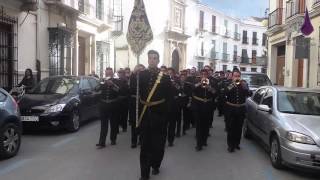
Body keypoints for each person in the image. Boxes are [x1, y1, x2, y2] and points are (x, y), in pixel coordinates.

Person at [135, 50, 174, 180]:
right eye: (150, 58)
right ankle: (144, 174)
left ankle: (156, 164)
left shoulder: (165, 77)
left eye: (155, 58)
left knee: (158, 145)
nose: (152, 60)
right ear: (148, 60)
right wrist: (134, 74)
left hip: (159, 116)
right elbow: (133, 90)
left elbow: (169, 98)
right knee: (145, 145)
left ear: (158, 61)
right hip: (145, 115)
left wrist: (166, 116)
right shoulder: (141, 75)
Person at [224, 68, 251, 153]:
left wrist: (244, 87)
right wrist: (233, 85)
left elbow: (249, 94)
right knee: (231, 128)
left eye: (238, 76)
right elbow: (224, 93)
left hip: (241, 109)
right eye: (235, 76)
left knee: (239, 128)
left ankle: (237, 143)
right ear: (232, 77)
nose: (237, 77)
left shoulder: (243, 85)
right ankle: (230, 145)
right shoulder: (229, 84)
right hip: (231, 109)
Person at [191, 69, 217, 151]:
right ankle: (199, 144)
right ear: (200, 75)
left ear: (208, 75)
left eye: (205, 74)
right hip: (198, 105)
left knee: (206, 125)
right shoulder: (196, 80)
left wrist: (209, 87)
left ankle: (204, 140)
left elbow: (215, 93)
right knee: (199, 125)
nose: (204, 75)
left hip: (208, 106)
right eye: (202, 74)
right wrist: (200, 83)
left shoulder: (212, 82)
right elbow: (192, 89)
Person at [95, 68, 121, 148]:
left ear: (112, 74)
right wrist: (100, 83)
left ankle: (113, 139)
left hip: (113, 105)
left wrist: (112, 84)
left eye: (109, 73)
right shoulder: (102, 81)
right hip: (103, 105)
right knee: (103, 124)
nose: (108, 75)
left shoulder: (116, 81)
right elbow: (96, 89)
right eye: (107, 73)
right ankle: (102, 142)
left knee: (113, 123)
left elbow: (119, 90)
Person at [128, 64, 145, 148]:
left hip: (142, 102)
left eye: (141, 70)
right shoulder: (133, 77)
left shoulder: (145, 78)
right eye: (138, 70)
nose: (139, 72)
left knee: (142, 121)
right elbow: (131, 88)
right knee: (134, 122)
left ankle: (142, 139)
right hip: (134, 102)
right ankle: (133, 141)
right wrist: (134, 73)